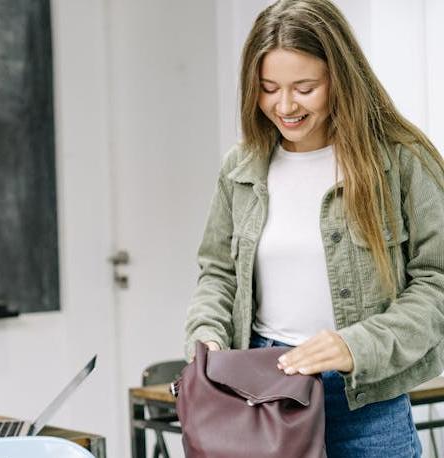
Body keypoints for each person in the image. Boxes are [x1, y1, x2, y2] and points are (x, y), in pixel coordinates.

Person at [184, 0, 444, 456]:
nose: (284, 106)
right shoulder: (241, 169)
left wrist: (356, 345)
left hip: (368, 404)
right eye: (268, 88)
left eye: (305, 88)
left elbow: (437, 283)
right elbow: (218, 272)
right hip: (264, 395)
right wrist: (207, 333)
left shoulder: (403, 161)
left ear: (339, 79)